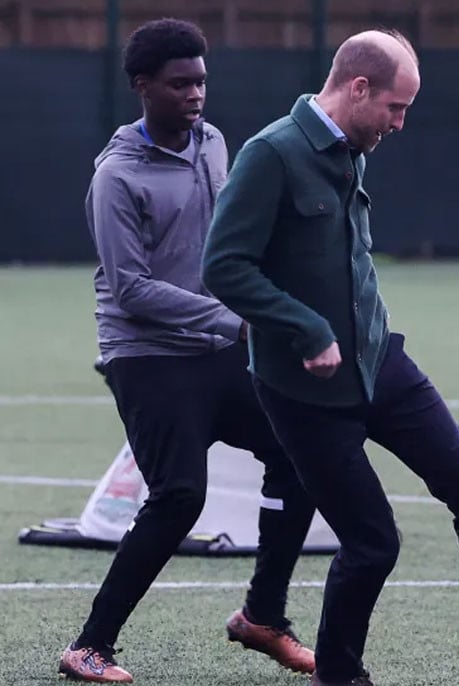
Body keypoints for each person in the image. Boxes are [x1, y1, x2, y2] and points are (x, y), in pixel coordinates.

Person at [201, 29, 459, 686]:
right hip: (302, 392)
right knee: (372, 543)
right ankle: (339, 676)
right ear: (358, 89)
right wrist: (304, 328)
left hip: (379, 363)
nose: (400, 122)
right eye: (395, 107)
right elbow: (222, 266)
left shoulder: (352, 147)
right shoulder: (270, 154)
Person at [61, 18, 318, 683]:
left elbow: (226, 244)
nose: (196, 94)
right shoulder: (116, 177)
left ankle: (264, 617)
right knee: (179, 496)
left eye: (201, 81)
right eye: (180, 84)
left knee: (299, 452)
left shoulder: (214, 143)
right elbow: (131, 288)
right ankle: (89, 647)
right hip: (146, 354)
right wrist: (234, 322)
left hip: (216, 341)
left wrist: (263, 300)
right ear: (143, 87)